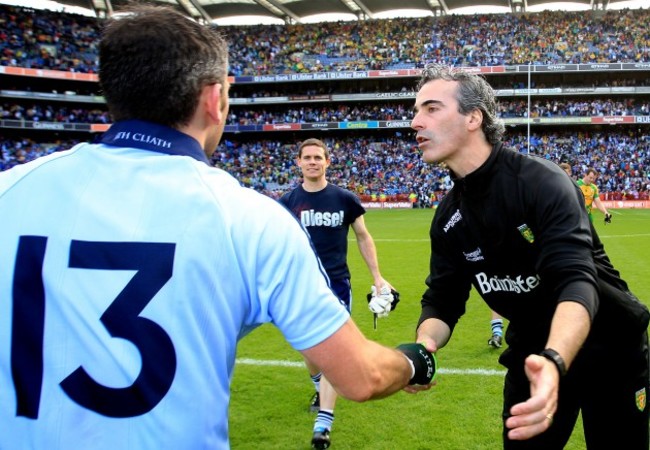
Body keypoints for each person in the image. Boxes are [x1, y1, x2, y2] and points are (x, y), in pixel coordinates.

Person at [0, 7, 435, 449]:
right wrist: (414, 362)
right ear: (215, 99)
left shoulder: (10, 192)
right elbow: (362, 376)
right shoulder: (251, 219)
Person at [409, 64, 649, 449]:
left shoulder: (541, 183)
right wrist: (422, 348)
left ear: (474, 117)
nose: (415, 122)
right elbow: (442, 300)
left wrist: (555, 360)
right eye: (416, 110)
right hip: (532, 354)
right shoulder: (448, 219)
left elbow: (575, 280)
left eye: (431, 108)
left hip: (610, 349)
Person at [279, 138, 396, 450]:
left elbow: (363, 237)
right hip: (300, 287)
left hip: (336, 286)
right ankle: (319, 388)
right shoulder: (288, 202)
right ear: (299, 163)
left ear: (328, 162)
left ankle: (323, 424)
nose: (313, 162)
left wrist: (377, 277)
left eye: (319, 157)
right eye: (308, 158)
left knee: (330, 352)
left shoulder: (344, 199)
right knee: (309, 351)